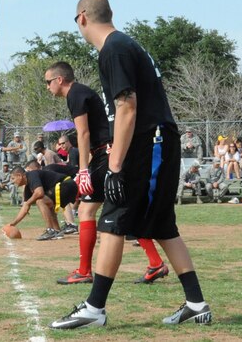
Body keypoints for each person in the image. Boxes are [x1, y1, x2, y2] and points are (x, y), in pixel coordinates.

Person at [51, 0, 210, 329]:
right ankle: (197, 304)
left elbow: (127, 107)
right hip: (156, 140)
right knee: (163, 226)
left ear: (82, 17)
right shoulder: (123, 45)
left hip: (147, 142)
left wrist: (115, 165)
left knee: (113, 220)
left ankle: (94, 308)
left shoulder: (114, 49)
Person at [45, 61, 169, 286]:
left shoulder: (75, 94)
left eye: (48, 82)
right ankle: (155, 262)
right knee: (125, 210)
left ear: (59, 80)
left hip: (106, 155)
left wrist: (83, 170)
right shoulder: (79, 92)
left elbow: (83, 133)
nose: (47, 87)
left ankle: (84, 271)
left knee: (87, 210)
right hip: (104, 154)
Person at [6, 166, 76, 241]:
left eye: (13, 178)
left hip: (67, 184)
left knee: (40, 201)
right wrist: (13, 223)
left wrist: (28, 203)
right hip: (66, 186)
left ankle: (50, 230)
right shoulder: (28, 188)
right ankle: (56, 231)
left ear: (19, 175)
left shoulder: (32, 175)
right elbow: (25, 208)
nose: (12, 181)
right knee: (48, 205)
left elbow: (39, 193)